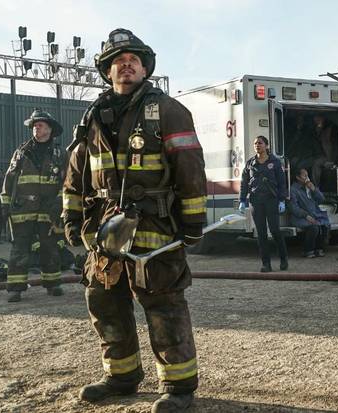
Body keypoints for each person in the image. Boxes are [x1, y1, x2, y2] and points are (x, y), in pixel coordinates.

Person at [62, 28, 207, 412]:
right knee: (104, 298)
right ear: (107, 71)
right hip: (106, 228)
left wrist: (193, 223)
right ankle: (121, 376)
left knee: (162, 302)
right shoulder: (93, 116)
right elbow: (76, 173)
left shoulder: (169, 110)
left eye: (133, 61)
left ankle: (178, 388)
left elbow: (189, 168)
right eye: (117, 62)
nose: (125, 65)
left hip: (154, 226)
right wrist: (72, 217)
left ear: (145, 69)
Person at [0, 108, 68, 302]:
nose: (36, 129)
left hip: (49, 210)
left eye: (40, 125)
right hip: (22, 210)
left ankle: (53, 284)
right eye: (34, 126)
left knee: (50, 247)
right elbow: (9, 179)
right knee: (20, 249)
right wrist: (5, 204)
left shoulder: (60, 154)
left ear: (50, 130)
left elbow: (68, 182)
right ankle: (15, 288)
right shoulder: (21, 152)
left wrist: (60, 201)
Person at [239, 136, 289, 272]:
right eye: (255, 143)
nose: (257, 145)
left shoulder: (275, 162)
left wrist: (282, 200)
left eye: (260, 143)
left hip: (271, 200)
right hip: (256, 201)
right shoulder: (250, 163)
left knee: (275, 230)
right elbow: (244, 183)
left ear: (266, 145)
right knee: (261, 234)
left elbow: (281, 183)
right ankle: (266, 264)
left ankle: (284, 259)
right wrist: (242, 200)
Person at [288, 168, 330, 258]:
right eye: (305, 176)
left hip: (314, 215)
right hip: (300, 217)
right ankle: (308, 250)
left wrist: (314, 189)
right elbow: (293, 208)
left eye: (308, 176)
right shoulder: (293, 190)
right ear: (298, 178)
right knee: (313, 227)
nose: (307, 178)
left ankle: (319, 248)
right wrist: (306, 215)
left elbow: (322, 199)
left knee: (324, 225)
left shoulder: (310, 187)